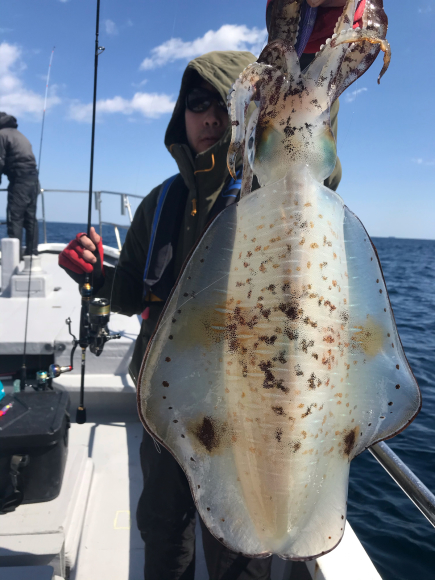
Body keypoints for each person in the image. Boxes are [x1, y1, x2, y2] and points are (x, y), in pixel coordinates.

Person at [59, 2, 350, 575]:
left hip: (245, 409)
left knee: (239, 552)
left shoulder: (274, 188)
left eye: (222, 101)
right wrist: (94, 275)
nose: (210, 116)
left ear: (249, 111)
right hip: (166, 409)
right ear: (180, 117)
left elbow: (313, 156)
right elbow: (129, 295)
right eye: (196, 104)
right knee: (164, 532)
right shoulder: (159, 203)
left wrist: (314, 62)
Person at [0, 112, 39, 256]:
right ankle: (32, 254)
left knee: (14, 218)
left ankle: (13, 257)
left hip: (19, 181)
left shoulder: (2, 135)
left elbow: (0, 161)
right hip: (33, 180)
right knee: (30, 218)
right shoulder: (20, 135)